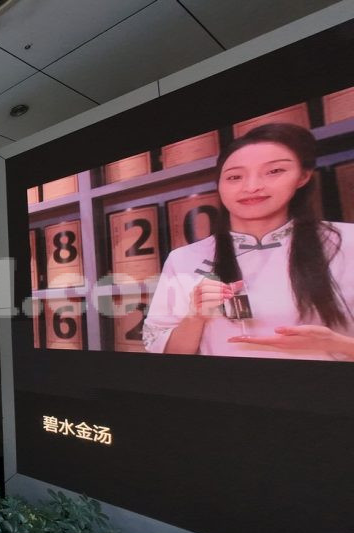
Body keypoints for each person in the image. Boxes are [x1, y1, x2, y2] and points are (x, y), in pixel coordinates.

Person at [144, 123, 354, 361]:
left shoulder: (347, 241)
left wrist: (337, 344)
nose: (252, 187)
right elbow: (166, 352)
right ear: (219, 184)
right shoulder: (184, 258)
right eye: (235, 177)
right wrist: (195, 316)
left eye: (274, 171)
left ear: (303, 176)